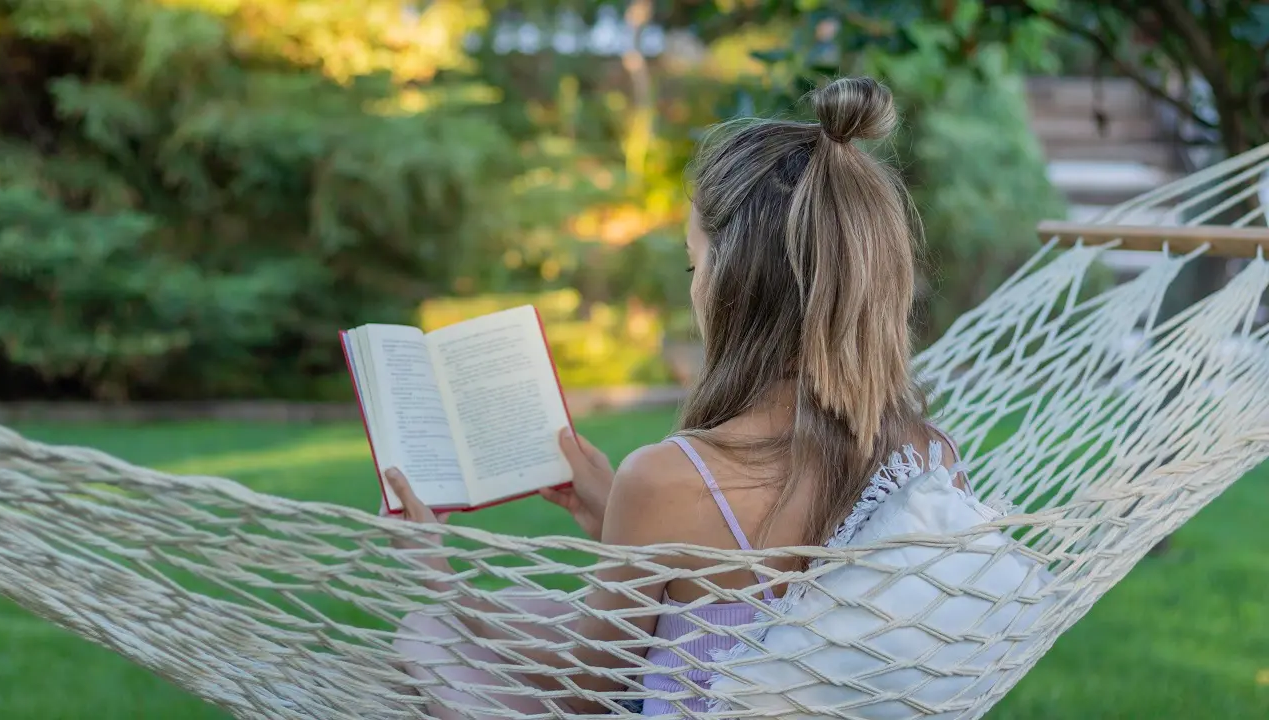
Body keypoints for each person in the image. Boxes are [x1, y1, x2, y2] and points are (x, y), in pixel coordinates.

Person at [384, 76, 968, 717]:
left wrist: (441, 580)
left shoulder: (670, 481)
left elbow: (589, 692)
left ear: (732, 285)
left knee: (429, 634)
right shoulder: (928, 458)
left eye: (696, 264)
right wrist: (616, 515)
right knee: (535, 609)